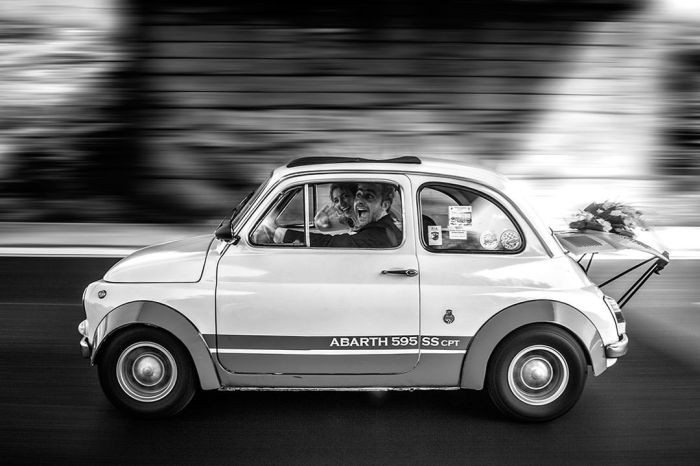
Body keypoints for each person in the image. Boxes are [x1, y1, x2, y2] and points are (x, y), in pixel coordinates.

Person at [275, 182, 402, 248]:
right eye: (336, 200)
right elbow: (328, 226)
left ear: (384, 205)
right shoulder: (353, 221)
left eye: (346, 196)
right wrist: (319, 223)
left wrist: (282, 234)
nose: (341, 204)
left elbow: (332, 242)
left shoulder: (378, 232)